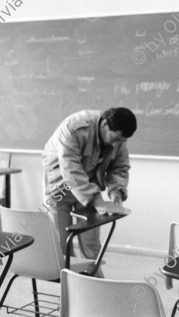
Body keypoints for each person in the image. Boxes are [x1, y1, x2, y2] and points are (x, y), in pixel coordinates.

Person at [42, 108, 137, 277]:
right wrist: (97, 200)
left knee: (91, 243)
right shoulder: (74, 127)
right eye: (115, 139)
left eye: (121, 141)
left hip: (89, 184)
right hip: (59, 184)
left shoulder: (119, 138)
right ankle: (70, 284)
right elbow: (70, 170)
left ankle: (94, 283)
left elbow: (120, 167)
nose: (116, 145)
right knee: (61, 244)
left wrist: (116, 191)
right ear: (105, 124)